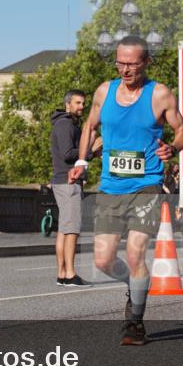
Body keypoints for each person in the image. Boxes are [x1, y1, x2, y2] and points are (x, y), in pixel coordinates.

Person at [68, 36, 183, 346]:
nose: (125, 70)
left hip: (147, 185)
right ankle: (136, 284)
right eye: (120, 63)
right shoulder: (104, 91)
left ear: (146, 63)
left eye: (132, 64)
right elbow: (90, 127)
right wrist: (82, 160)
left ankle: (134, 322)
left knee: (135, 252)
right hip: (111, 186)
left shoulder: (159, 94)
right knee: (103, 260)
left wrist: (172, 148)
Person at [50, 89, 101, 287]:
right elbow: (68, 154)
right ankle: (70, 274)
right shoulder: (65, 124)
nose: (81, 107)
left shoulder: (66, 123)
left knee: (64, 229)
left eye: (83, 103)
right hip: (67, 182)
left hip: (65, 181)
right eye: (78, 103)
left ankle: (62, 274)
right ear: (68, 104)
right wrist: (91, 152)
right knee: (71, 230)